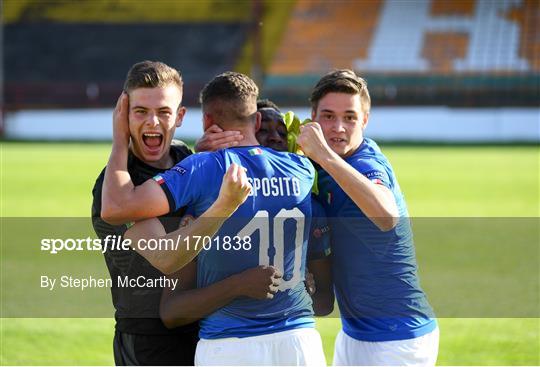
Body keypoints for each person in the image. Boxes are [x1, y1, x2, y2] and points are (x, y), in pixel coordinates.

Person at [101, 71, 327, 365]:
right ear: (256, 121)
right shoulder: (301, 168)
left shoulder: (203, 167)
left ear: (207, 121)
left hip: (230, 343)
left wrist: (119, 138)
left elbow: (118, 206)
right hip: (299, 339)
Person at [297, 69, 438, 366]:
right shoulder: (324, 162)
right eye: (328, 116)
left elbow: (386, 216)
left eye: (349, 117)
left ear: (365, 120)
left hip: (399, 339)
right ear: (313, 117)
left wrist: (324, 156)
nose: (338, 128)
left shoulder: (365, 161)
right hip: (355, 334)